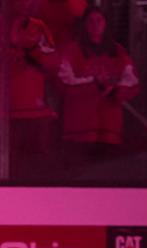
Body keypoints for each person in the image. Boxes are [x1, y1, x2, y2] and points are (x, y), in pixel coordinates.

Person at [0, 0, 60, 180]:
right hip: (2, 113)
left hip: (36, 112)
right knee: (3, 167)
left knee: (37, 170)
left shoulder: (40, 28)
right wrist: (7, 57)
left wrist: (30, 50)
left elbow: (53, 63)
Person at [57, 6, 138, 178]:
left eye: (99, 20)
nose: (95, 25)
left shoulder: (118, 51)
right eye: (91, 21)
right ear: (84, 25)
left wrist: (116, 90)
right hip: (79, 132)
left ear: (106, 24)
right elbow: (64, 82)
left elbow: (132, 82)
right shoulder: (72, 50)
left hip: (109, 131)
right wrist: (95, 84)